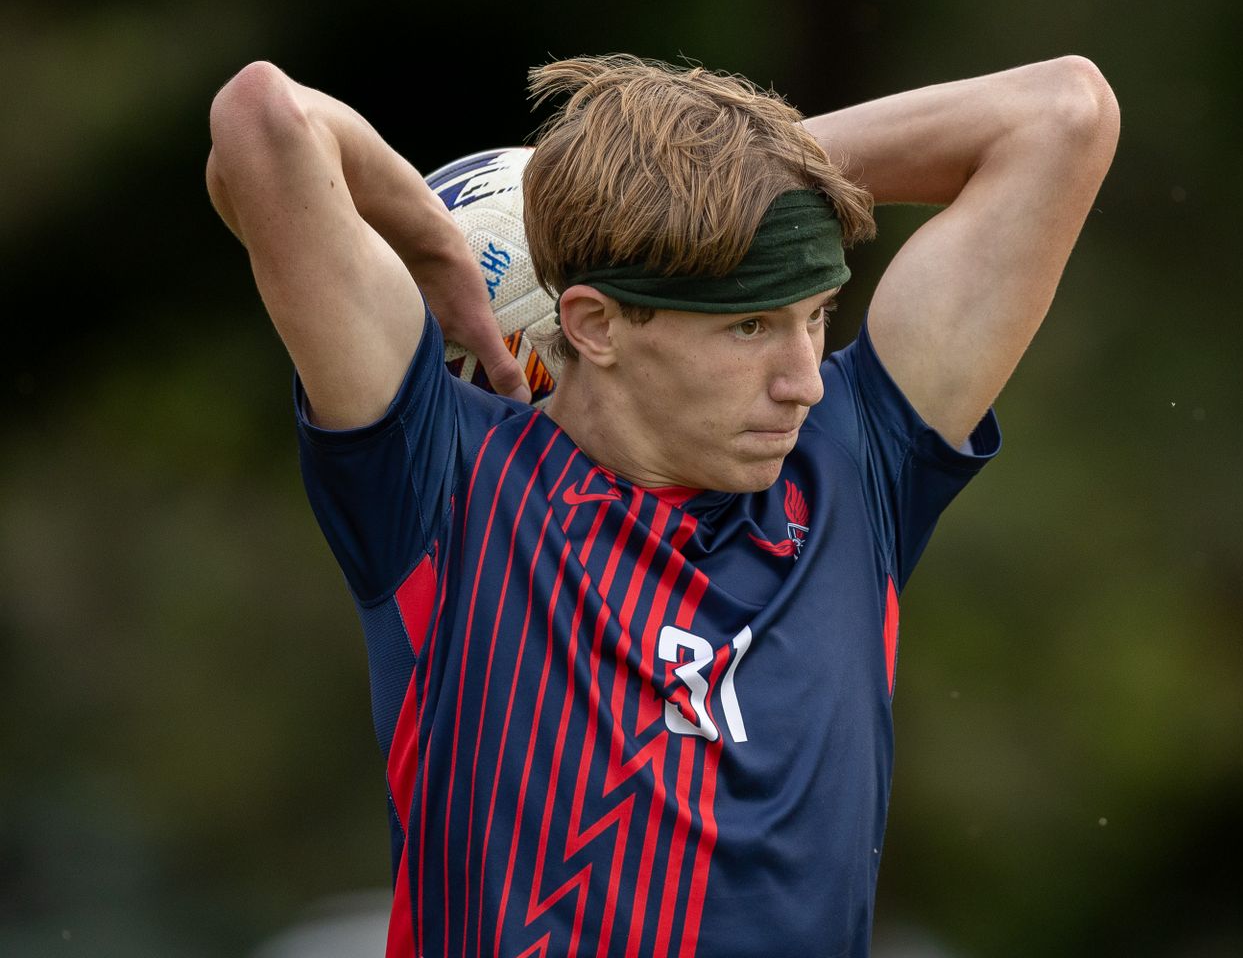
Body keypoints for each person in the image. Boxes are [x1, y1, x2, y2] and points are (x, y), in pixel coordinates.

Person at [205, 53, 1119, 958]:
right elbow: (265, 123)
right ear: (595, 325)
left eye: (816, 317)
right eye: (750, 328)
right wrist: (440, 249)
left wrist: (725, 176)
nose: (804, 381)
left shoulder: (852, 467)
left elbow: (1061, 113)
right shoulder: (447, 486)